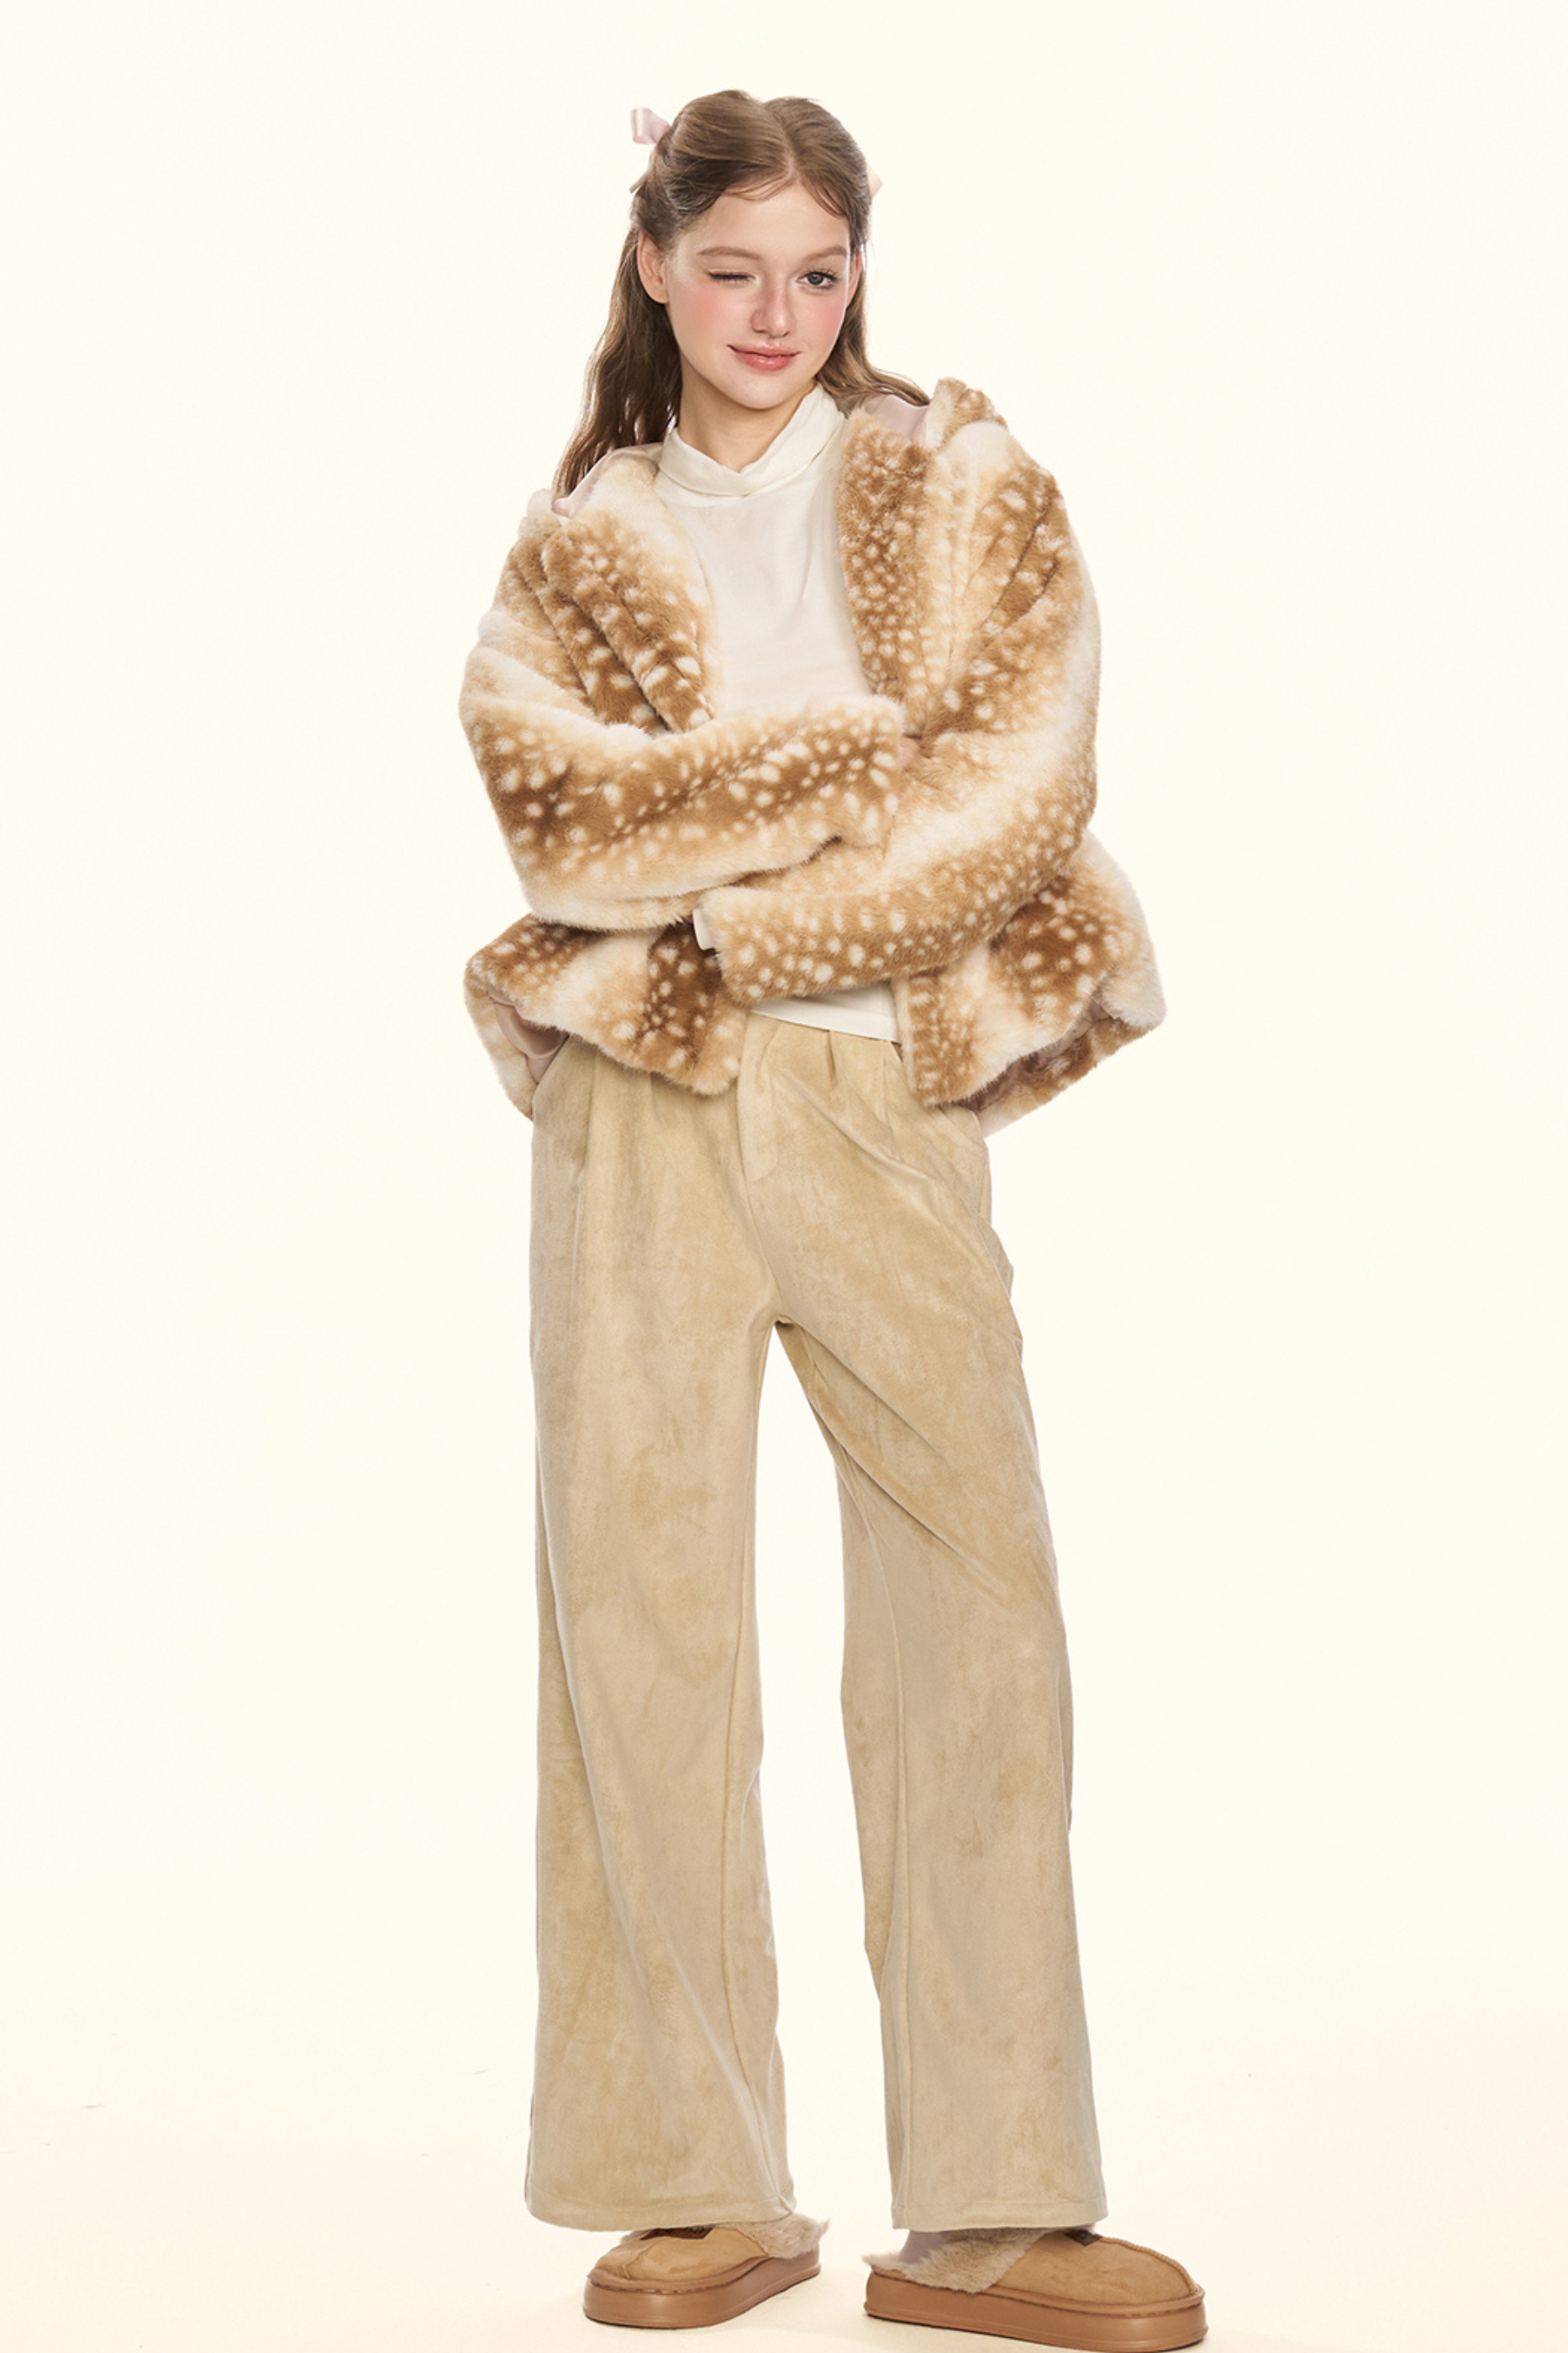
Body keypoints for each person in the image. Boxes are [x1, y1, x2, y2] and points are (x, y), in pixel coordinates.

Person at [457, 88, 1204, 2349]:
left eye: (817, 270)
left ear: (857, 273)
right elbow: (557, 819)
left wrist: (745, 887)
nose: (776, 313)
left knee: (981, 1617)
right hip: (640, 1104)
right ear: (656, 269)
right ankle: (697, 2182)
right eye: (734, 270)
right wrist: (835, 768)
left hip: (881, 1098)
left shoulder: (964, 483)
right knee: (641, 1628)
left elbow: (1020, 778)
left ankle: (994, 2205)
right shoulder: (581, 537)